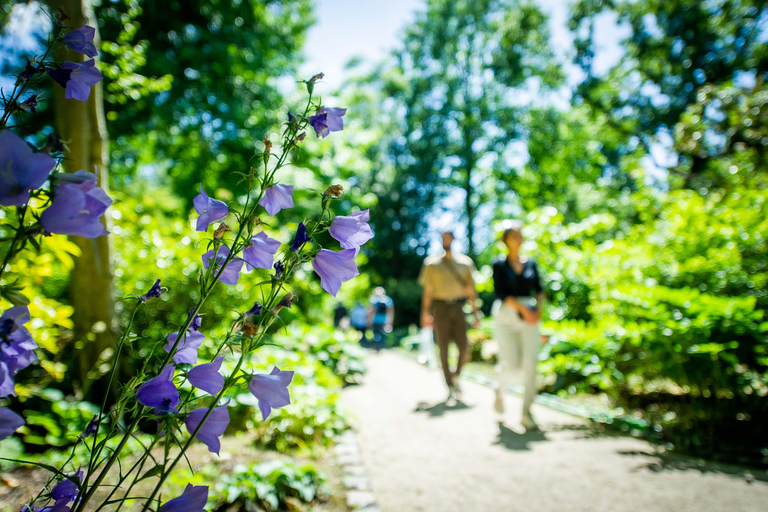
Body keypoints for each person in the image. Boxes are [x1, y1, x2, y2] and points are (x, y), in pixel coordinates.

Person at [491, 220, 546, 430]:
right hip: (507, 316)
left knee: (530, 365)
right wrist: (523, 309)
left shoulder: (531, 263)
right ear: (506, 240)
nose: (518, 238)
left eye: (520, 234)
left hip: (530, 317)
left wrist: (538, 309)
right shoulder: (499, 264)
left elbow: (539, 289)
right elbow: (501, 294)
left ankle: (526, 412)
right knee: (510, 364)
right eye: (514, 235)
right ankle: (499, 390)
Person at [418, 230, 480, 400]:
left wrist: (476, 312)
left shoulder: (465, 263)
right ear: (440, 240)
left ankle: (455, 375)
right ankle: (450, 384)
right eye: (443, 237)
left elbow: (470, 290)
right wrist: (426, 313)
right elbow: (428, 291)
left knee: (464, 347)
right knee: (443, 348)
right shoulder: (431, 264)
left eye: (448, 237)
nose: (446, 240)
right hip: (440, 308)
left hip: (459, 306)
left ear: (453, 239)